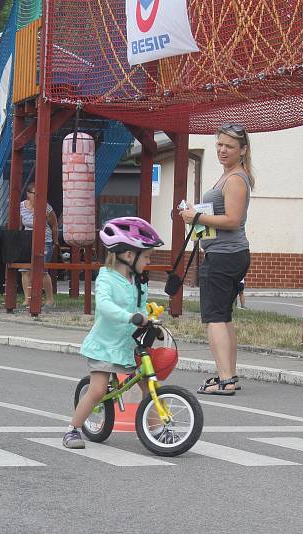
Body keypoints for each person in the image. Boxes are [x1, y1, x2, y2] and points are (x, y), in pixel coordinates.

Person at [63, 217, 163, 449]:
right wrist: (131, 317)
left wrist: (149, 324)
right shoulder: (106, 277)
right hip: (105, 346)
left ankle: (158, 430)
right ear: (129, 255)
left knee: (149, 385)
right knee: (97, 390)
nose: (148, 261)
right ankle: (73, 429)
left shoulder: (139, 282)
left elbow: (140, 307)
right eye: (146, 256)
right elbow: (105, 306)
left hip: (128, 345)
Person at [179, 123, 253, 396]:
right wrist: (197, 216)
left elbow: (233, 220)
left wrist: (195, 217)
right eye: (220, 144)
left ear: (242, 150)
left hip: (224, 255)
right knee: (224, 316)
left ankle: (225, 379)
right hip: (228, 254)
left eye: (229, 146)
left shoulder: (235, 179)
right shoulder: (230, 176)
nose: (222, 150)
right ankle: (228, 374)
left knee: (215, 318)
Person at [19, 183, 59, 308]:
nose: (37, 197)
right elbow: (20, 225)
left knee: (42, 270)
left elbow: (54, 225)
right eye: (34, 194)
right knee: (25, 270)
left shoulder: (46, 208)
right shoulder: (21, 206)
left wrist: (55, 242)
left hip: (44, 240)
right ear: (28, 194)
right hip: (26, 239)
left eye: (39, 194)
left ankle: (49, 299)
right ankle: (27, 299)